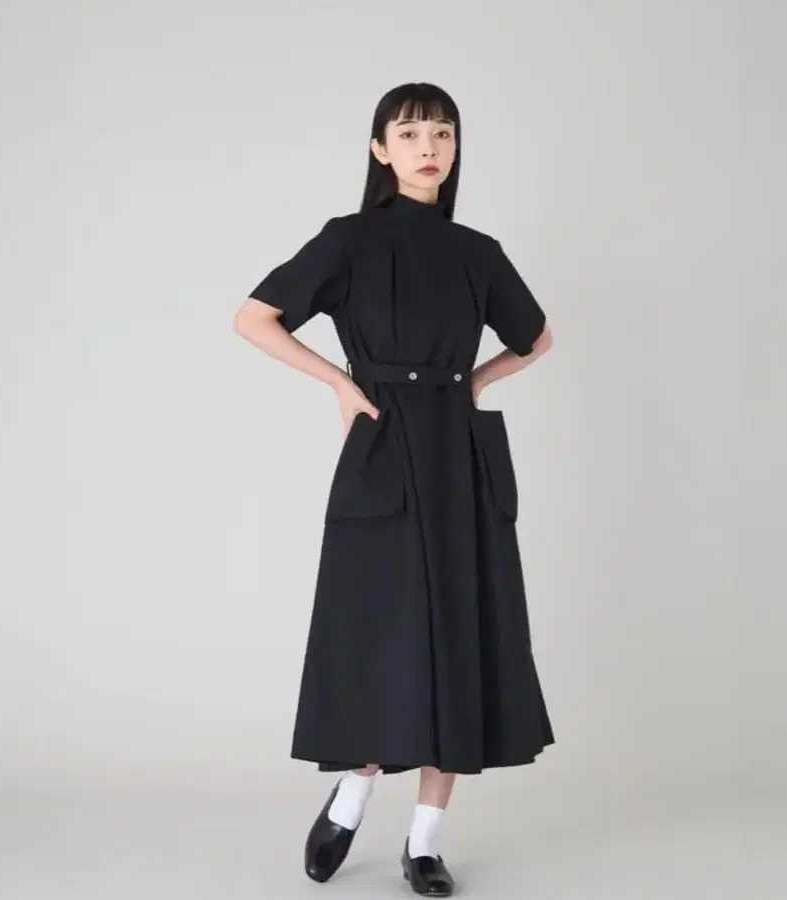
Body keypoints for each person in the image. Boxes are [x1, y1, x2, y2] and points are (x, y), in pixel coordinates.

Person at [233, 82, 555, 897]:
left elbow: (537, 336)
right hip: (382, 442)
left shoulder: (478, 251)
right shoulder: (348, 240)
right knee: (379, 633)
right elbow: (254, 317)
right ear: (380, 149)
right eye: (409, 133)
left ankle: (424, 843)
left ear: (456, 147)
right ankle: (352, 794)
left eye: (442, 133)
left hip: (459, 450)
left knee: (460, 636)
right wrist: (341, 385)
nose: (428, 148)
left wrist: (473, 381)